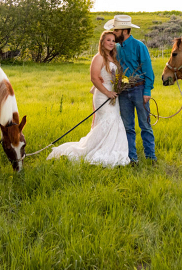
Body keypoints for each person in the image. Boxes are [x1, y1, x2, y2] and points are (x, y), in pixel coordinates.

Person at [46, 31, 130, 167]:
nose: (111, 43)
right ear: (102, 42)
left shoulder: (113, 58)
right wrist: (107, 92)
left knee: (114, 121)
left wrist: (122, 84)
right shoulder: (99, 57)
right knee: (107, 122)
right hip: (103, 94)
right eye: (108, 40)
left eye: (113, 41)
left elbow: (116, 77)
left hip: (113, 94)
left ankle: (111, 150)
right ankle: (92, 150)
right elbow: (94, 78)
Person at [104, 15, 156, 166]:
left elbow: (148, 70)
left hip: (139, 89)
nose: (113, 33)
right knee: (127, 126)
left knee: (145, 125)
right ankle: (132, 158)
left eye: (116, 30)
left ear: (125, 30)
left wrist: (147, 91)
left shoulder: (140, 46)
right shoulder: (116, 48)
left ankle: (151, 157)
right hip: (123, 92)